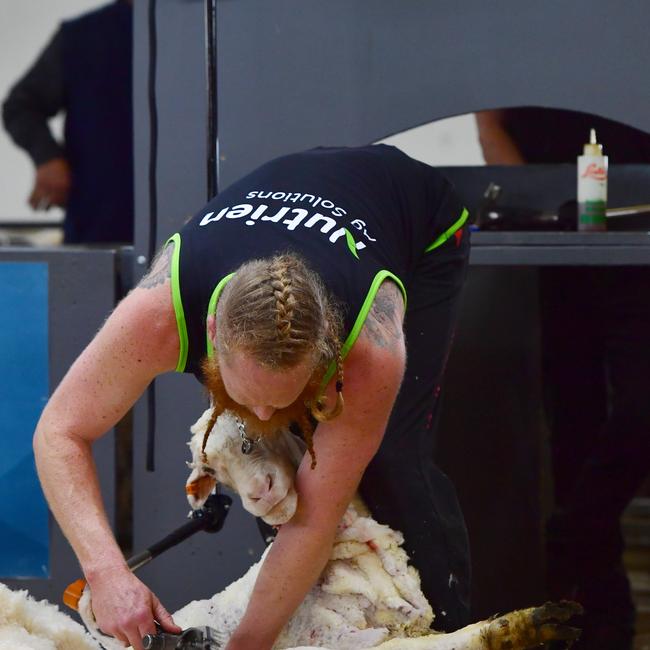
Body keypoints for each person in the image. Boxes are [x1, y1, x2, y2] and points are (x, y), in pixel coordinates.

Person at [33, 144, 472, 650]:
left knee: (393, 461)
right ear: (212, 333)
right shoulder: (157, 314)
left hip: (419, 218)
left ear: (327, 350)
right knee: (277, 457)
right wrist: (107, 573)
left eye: (281, 395)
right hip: (302, 189)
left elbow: (312, 522)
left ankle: (451, 630)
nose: (262, 412)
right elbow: (60, 431)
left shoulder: (370, 344)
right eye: (251, 394)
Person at [476, 107, 650, 650]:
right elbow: (491, 119)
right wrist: (536, 201)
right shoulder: (511, 39)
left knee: (642, 407)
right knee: (574, 422)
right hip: (556, 233)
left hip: (640, 226)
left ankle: (571, 536)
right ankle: (602, 611)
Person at [2, 0, 133, 244]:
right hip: (99, 229)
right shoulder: (84, 36)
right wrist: (48, 158)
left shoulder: (206, 29)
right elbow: (21, 106)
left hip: (190, 229)